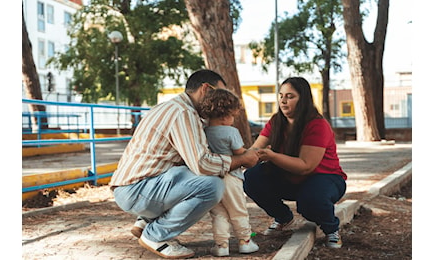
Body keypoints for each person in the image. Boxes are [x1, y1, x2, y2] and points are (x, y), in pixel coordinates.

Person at [109, 69, 259, 259]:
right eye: (219, 94)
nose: (220, 103)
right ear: (205, 89)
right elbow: (202, 164)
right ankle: (155, 236)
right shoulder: (184, 113)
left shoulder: (168, 107)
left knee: (189, 174)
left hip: (134, 187)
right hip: (137, 191)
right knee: (212, 186)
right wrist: (243, 160)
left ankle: (146, 221)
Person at [243, 77, 347, 249]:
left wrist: (273, 156)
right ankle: (283, 217)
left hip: (325, 178)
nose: (283, 101)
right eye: (281, 95)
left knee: (310, 202)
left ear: (303, 99)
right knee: (252, 177)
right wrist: (232, 155)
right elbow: (254, 150)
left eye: (290, 96)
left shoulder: (317, 125)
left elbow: (306, 166)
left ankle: (331, 229)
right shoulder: (276, 121)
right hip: (291, 178)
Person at [198, 88, 259, 257]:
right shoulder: (231, 132)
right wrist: (254, 154)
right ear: (225, 117)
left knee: (219, 214)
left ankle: (221, 245)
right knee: (238, 210)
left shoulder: (203, 132)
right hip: (232, 177)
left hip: (212, 179)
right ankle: (245, 241)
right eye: (232, 116)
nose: (233, 120)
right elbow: (240, 152)